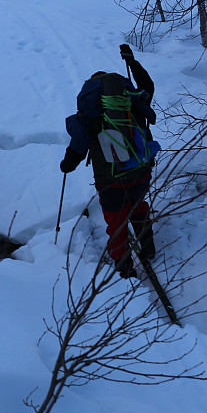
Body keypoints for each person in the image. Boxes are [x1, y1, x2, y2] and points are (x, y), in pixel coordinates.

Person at [60, 45, 158, 278]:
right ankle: (148, 249)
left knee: (116, 222)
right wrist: (132, 62)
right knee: (138, 206)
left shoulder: (91, 115)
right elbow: (148, 85)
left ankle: (125, 268)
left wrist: (67, 164)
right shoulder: (134, 102)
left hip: (111, 179)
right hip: (140, 171)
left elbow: (78, 145)